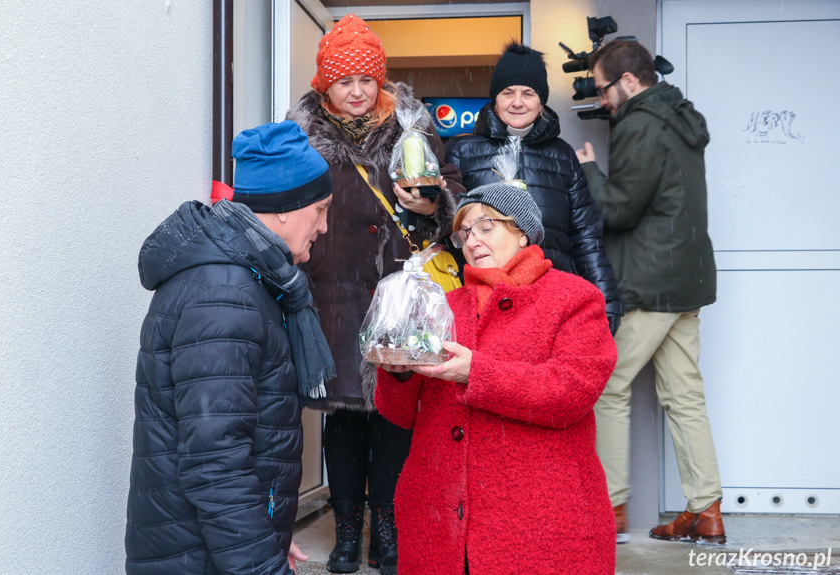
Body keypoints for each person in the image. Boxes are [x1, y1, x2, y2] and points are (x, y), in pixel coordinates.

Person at [285, 14, 465, 575]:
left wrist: (434, 204)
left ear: (380, 79)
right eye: (345, 81)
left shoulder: (413, 126)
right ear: (325, 85)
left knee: (393, 414)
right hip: (331, 293)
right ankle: (346, 530)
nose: (358, 91)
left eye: (367, 79)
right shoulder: (301, 135)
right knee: (341, 419)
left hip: (397, 293)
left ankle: (386, 527)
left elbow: (452, 183)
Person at [125, 121, 336, 575]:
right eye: (320, 210)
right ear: (285, 208)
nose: (323, 226)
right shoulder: (225, 292)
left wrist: (271, 534)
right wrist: (261, 564)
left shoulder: (248, 276)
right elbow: (215, 462)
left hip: (211, 548)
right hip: (200, 556)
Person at [376, 183, 618, 575]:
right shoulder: (442, 305)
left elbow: (571, 392)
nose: (472, 239)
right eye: (465, 232)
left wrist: (477, 372)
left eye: (485, 226)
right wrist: (397, 372)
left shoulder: (575, 298)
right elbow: (401, 415)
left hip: (540, 524)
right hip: (440, 524)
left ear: (522, 231)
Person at [575, 39, 725, 544]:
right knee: (684, 395)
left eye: (603, 89)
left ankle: (610, 507)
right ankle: (707, 511)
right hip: (688, 277)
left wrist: (591, 170)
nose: (601, 100)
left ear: (630, 82)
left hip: (653, 280)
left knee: (611, 385)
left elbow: (619, 209)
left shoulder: (641, 125)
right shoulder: (681, 118)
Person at [445, 41, 622, 334]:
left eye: (528, 93)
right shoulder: (462, 150)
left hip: (551, 298)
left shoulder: (562, 155)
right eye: (508, 93)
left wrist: (606, 300)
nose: (517, 102)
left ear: (541, 100)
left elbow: (585, 235)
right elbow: (449, 228)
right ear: (495, 98)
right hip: (482, 300)